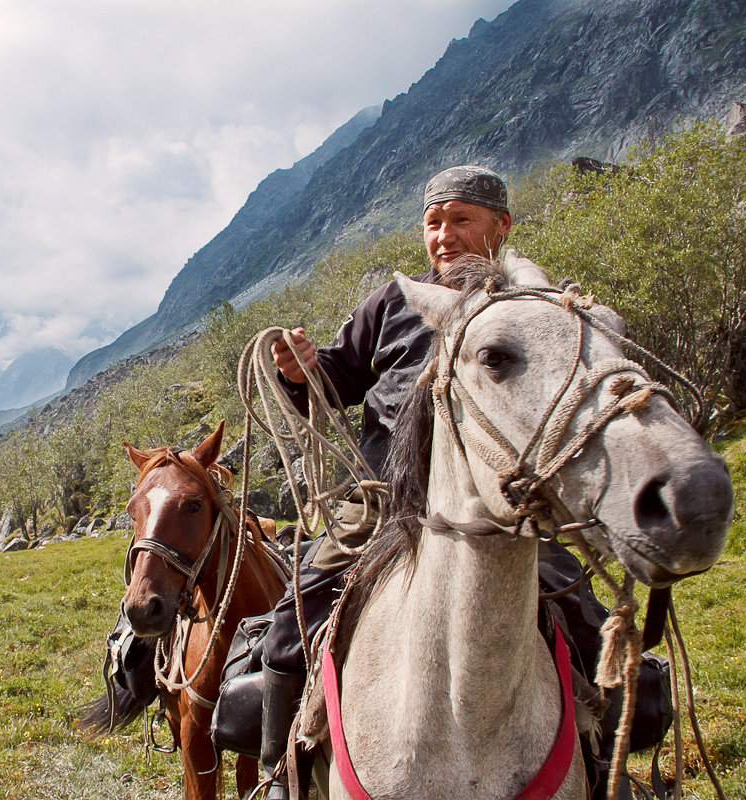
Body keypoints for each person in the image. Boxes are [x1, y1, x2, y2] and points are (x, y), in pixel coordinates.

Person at [257, 165, 513, 800]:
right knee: (293, 624)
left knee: (577, 609)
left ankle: (605, 761)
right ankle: (278, 773)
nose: (444, 235)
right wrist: (301, 370)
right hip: (381, 500)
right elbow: (340, 377)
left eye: (461, 219)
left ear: (500, 227)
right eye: (434, 222)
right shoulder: (393, 300)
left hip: (495, 504)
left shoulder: (525, 305)